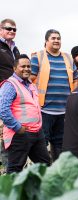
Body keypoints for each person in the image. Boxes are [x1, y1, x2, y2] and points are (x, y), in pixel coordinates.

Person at [30, 29, 78, 161]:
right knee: (41, 144)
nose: (57, 40)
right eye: (53, 38)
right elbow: (29, 79)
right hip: (43, 110)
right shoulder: (37, 57)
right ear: (46, 41)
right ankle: (42, 174)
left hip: (64, 111)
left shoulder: (68, 58)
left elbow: (75, 79)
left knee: (60, 145)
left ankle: (58, 174)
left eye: (58, 38)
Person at [0, 54, 50, 173]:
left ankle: (39, 191)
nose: (27, 69)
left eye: (29, 66)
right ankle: (10, 192)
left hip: (37, 133)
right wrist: (17, 127)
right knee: (15, 169)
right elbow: (3, 109)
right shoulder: (10, 85)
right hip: (20, 134)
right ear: (14, 68)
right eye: (23, 66)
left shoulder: (30, 85)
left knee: (45, 166)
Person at [0, 18, 20, 172]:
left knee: (8, 131)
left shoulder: (15, 49)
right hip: (2, 94)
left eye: (14, 29)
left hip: (14, 94)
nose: (12, 31)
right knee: (2, 132)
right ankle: (7, 172)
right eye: (8, 28)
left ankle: (10, 170)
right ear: (1, 29)